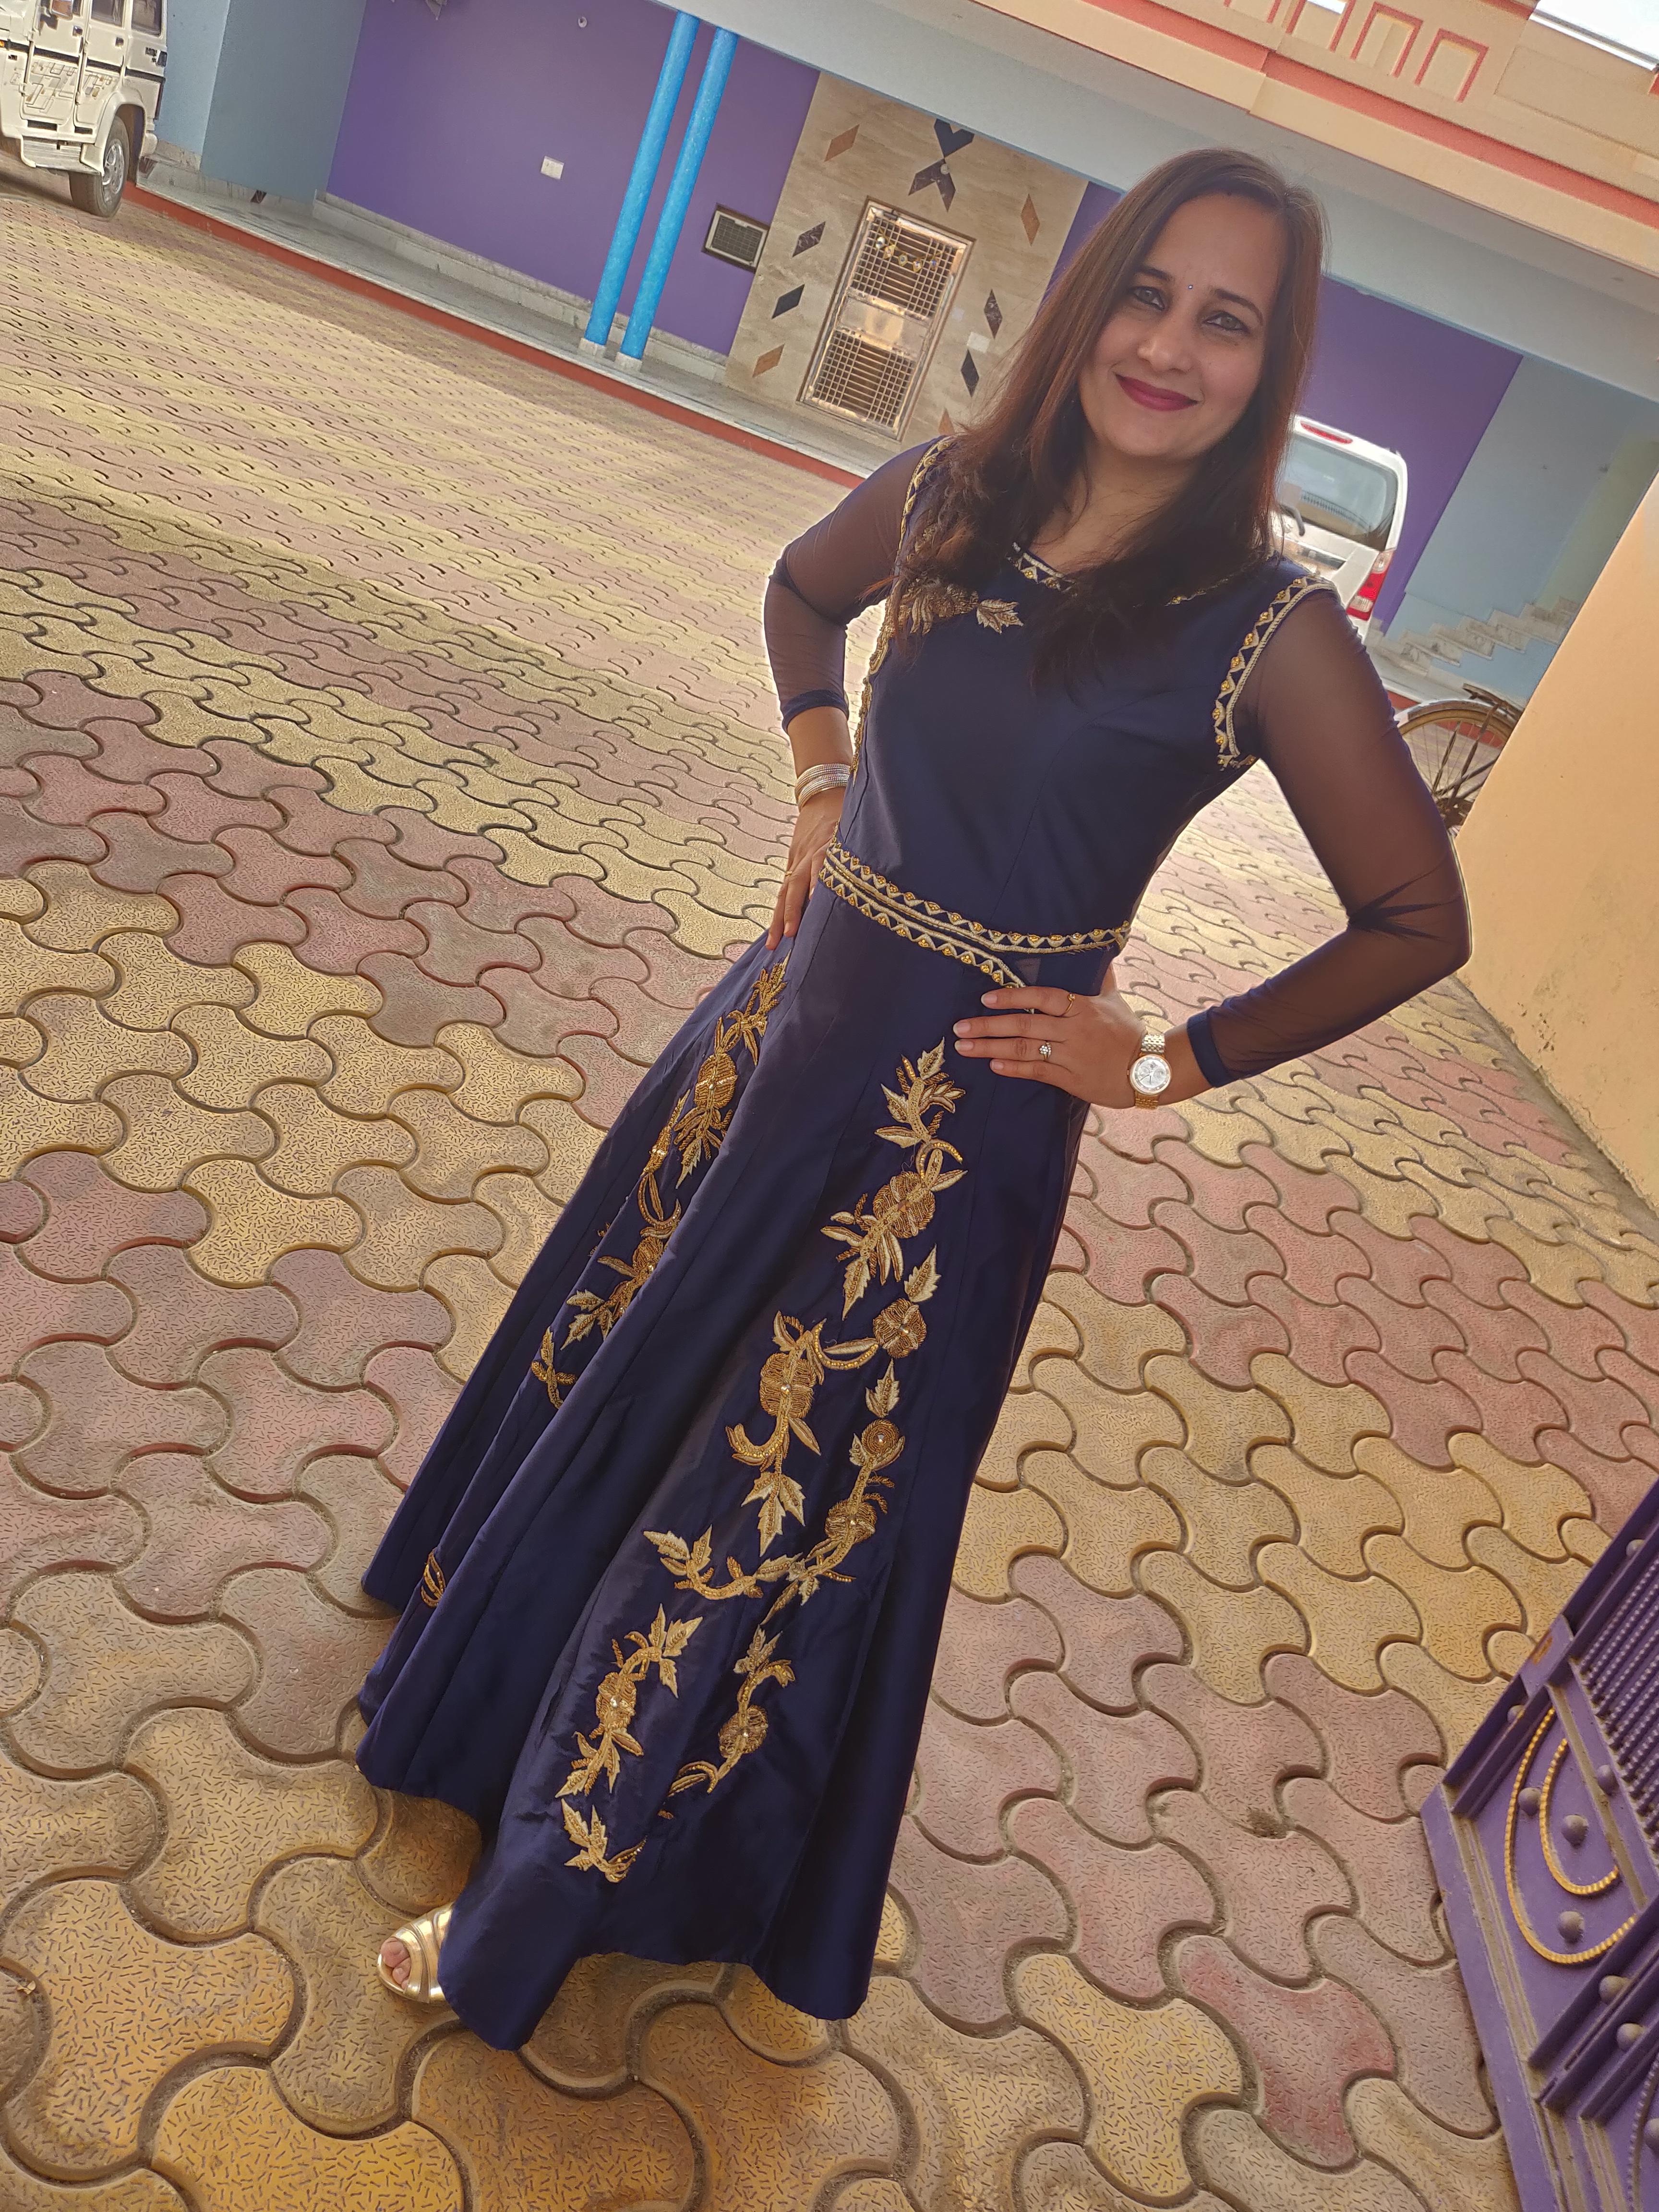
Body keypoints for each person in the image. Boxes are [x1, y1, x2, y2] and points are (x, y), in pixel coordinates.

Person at [357, 146, 1469, 2040]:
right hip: (775, 1041)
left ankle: (548, 1889)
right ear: (1090, 298)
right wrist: (819, 780)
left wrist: (1168, 1058)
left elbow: (1417, 918)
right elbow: (801, 595)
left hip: (944, 1151)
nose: (1170, 348)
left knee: (760, 1496)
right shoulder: (957, 491)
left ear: (1269, 368)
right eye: (1147, 292)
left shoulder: (1263, 630)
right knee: (637, 1375)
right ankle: (486, 1698)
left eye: (1228, 322)